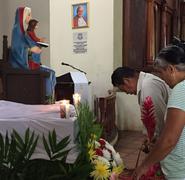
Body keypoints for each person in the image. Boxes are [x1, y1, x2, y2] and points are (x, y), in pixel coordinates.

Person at [134, 39, 185, 180]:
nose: (161, 78)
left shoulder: (181, 89)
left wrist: (144, 166)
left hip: (179, 171)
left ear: (171, 69)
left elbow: (169, 140)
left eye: (161, 73)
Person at [111, 66, 170, 178]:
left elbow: (160, 122)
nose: (126, 93)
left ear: (127, 81)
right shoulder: (146, 82)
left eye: (122, 89)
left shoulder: (148, 87)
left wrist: (153, 142)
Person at [9, 7, 56, 101]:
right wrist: (31, 50)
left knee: (52, 72)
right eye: (29, 14)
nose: (30, 17)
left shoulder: (25, 31)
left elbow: (30, 43)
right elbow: (16, 49)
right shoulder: (17, 30)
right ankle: (46, 98)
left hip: (29, 63)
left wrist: (38, 45)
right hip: (20, 65)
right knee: (48, 73)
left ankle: (50, 97)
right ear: (23, 16)